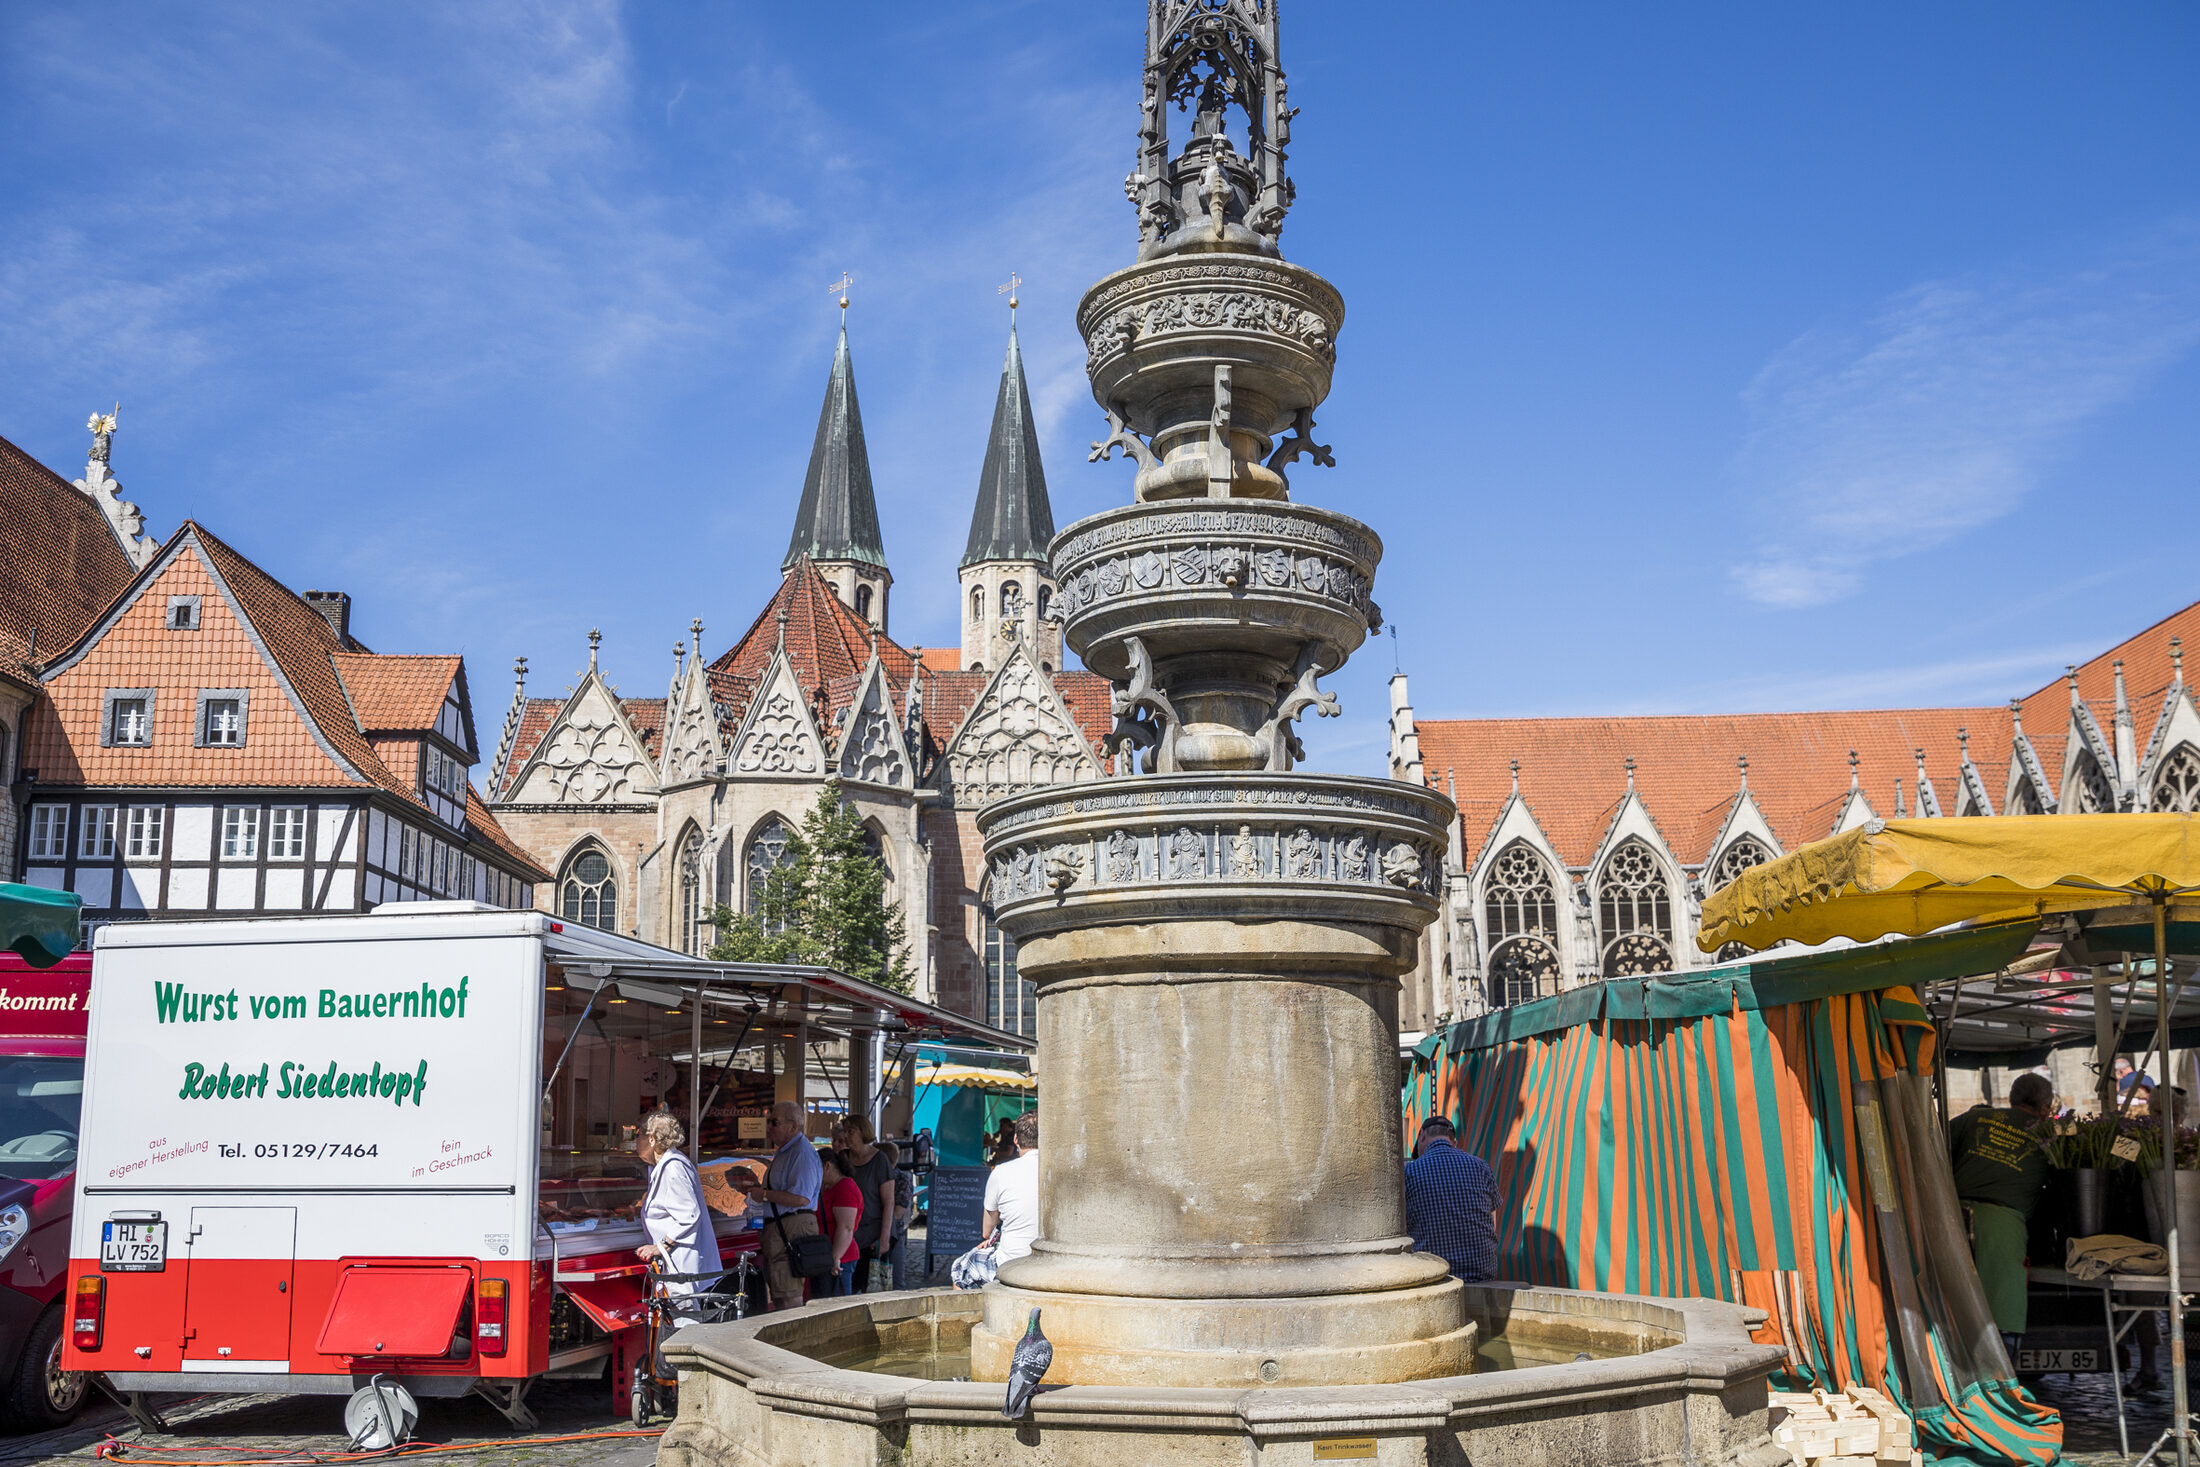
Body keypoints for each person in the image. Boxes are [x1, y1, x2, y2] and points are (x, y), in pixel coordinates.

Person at [1949, 1071, 2052, 1349]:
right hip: (2002, 1225)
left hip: (1950, 1219)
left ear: (2011, 1098)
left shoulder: (1975, 1119)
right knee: (2000, 1314)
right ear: (2044, 1109)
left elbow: (1931, 1144)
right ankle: (1999, 1385)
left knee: (1947, 1311)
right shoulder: (2049, 1134)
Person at [634, 1109, 724, 1328]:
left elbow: (689, 1214)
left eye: (638, 1134)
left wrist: (661, 1245)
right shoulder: (665, 1164)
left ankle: (684, 1363)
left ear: (652, 1139)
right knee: (677, 1320)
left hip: (679, 1264)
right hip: (675, 1263)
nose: (636, 1140)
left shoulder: (673, 1167)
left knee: (683, 1324)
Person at [730, 1100, 824, 1311]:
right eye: (768, 1121)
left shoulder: (801, 1152)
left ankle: (794, 1342)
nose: (769, 1127)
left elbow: (801, 1198)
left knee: (789, 1297)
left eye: (774, 1122)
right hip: (780, 1228)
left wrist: (762, 1194)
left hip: (790, 1227)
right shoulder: (785, 1151)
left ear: (793, 1126)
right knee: (780, 1293)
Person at [1403, 1116, 1498, 1282]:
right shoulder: (1481, 1166)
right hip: (1481, 1275)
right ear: (1454, 1142)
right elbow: (1492, 1217)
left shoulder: (1409, 1172)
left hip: (1436, 1278)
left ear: (1422, 1136)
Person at [837, 1116, 896, 1293]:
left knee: (869, 1288)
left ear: (863, 1132)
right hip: (847, 1234)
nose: (846, 1136)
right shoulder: (842, 1158)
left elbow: (889, 1202)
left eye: (851, 1132)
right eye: (844, 1131)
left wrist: (884, 1238)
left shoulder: (880, 1160)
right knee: (846, 1288)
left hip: (871, 1236)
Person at [981, 1111, 1041, 1268]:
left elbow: (986, 1231)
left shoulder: (1000, 1173)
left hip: (1010, 1262)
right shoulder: (1060, 1172)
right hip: (1052, 1262)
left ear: (1016, 1139)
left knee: (960, 1273)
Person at [817, 1147, 865, 1298]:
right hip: (829, 1255)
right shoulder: (829, 1187)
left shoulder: (845, 1187)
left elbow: (846, 1227)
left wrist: (836, 1257)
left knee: (838, 1306)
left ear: (827, 1166)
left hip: (841, 1258)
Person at [880, 1140, 915, 1291]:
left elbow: (898, 1213)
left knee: (895, 1279)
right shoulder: (901, 1178)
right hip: (887, 1231)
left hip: (893, 1234)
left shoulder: (900, 1178)